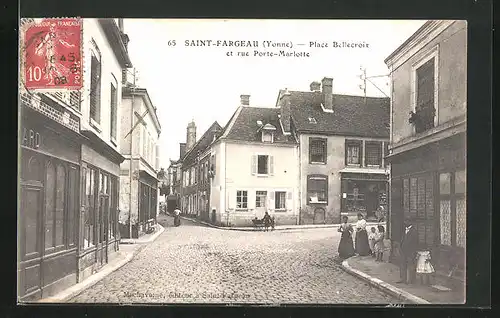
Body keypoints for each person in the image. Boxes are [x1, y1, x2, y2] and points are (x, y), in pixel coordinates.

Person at [397, 218, 419, 284]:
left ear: (410, 222)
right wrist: (400, 247)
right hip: (403, 251)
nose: (405, 222)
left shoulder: (414, 231)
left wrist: (413, 251)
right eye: (405, 221)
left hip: (410, 251)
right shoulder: (405, 230)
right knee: (403, 265)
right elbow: (403, 239)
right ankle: (403, 279)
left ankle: (411, 280)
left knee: (411, 265)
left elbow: (415, 242)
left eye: (406, 221)